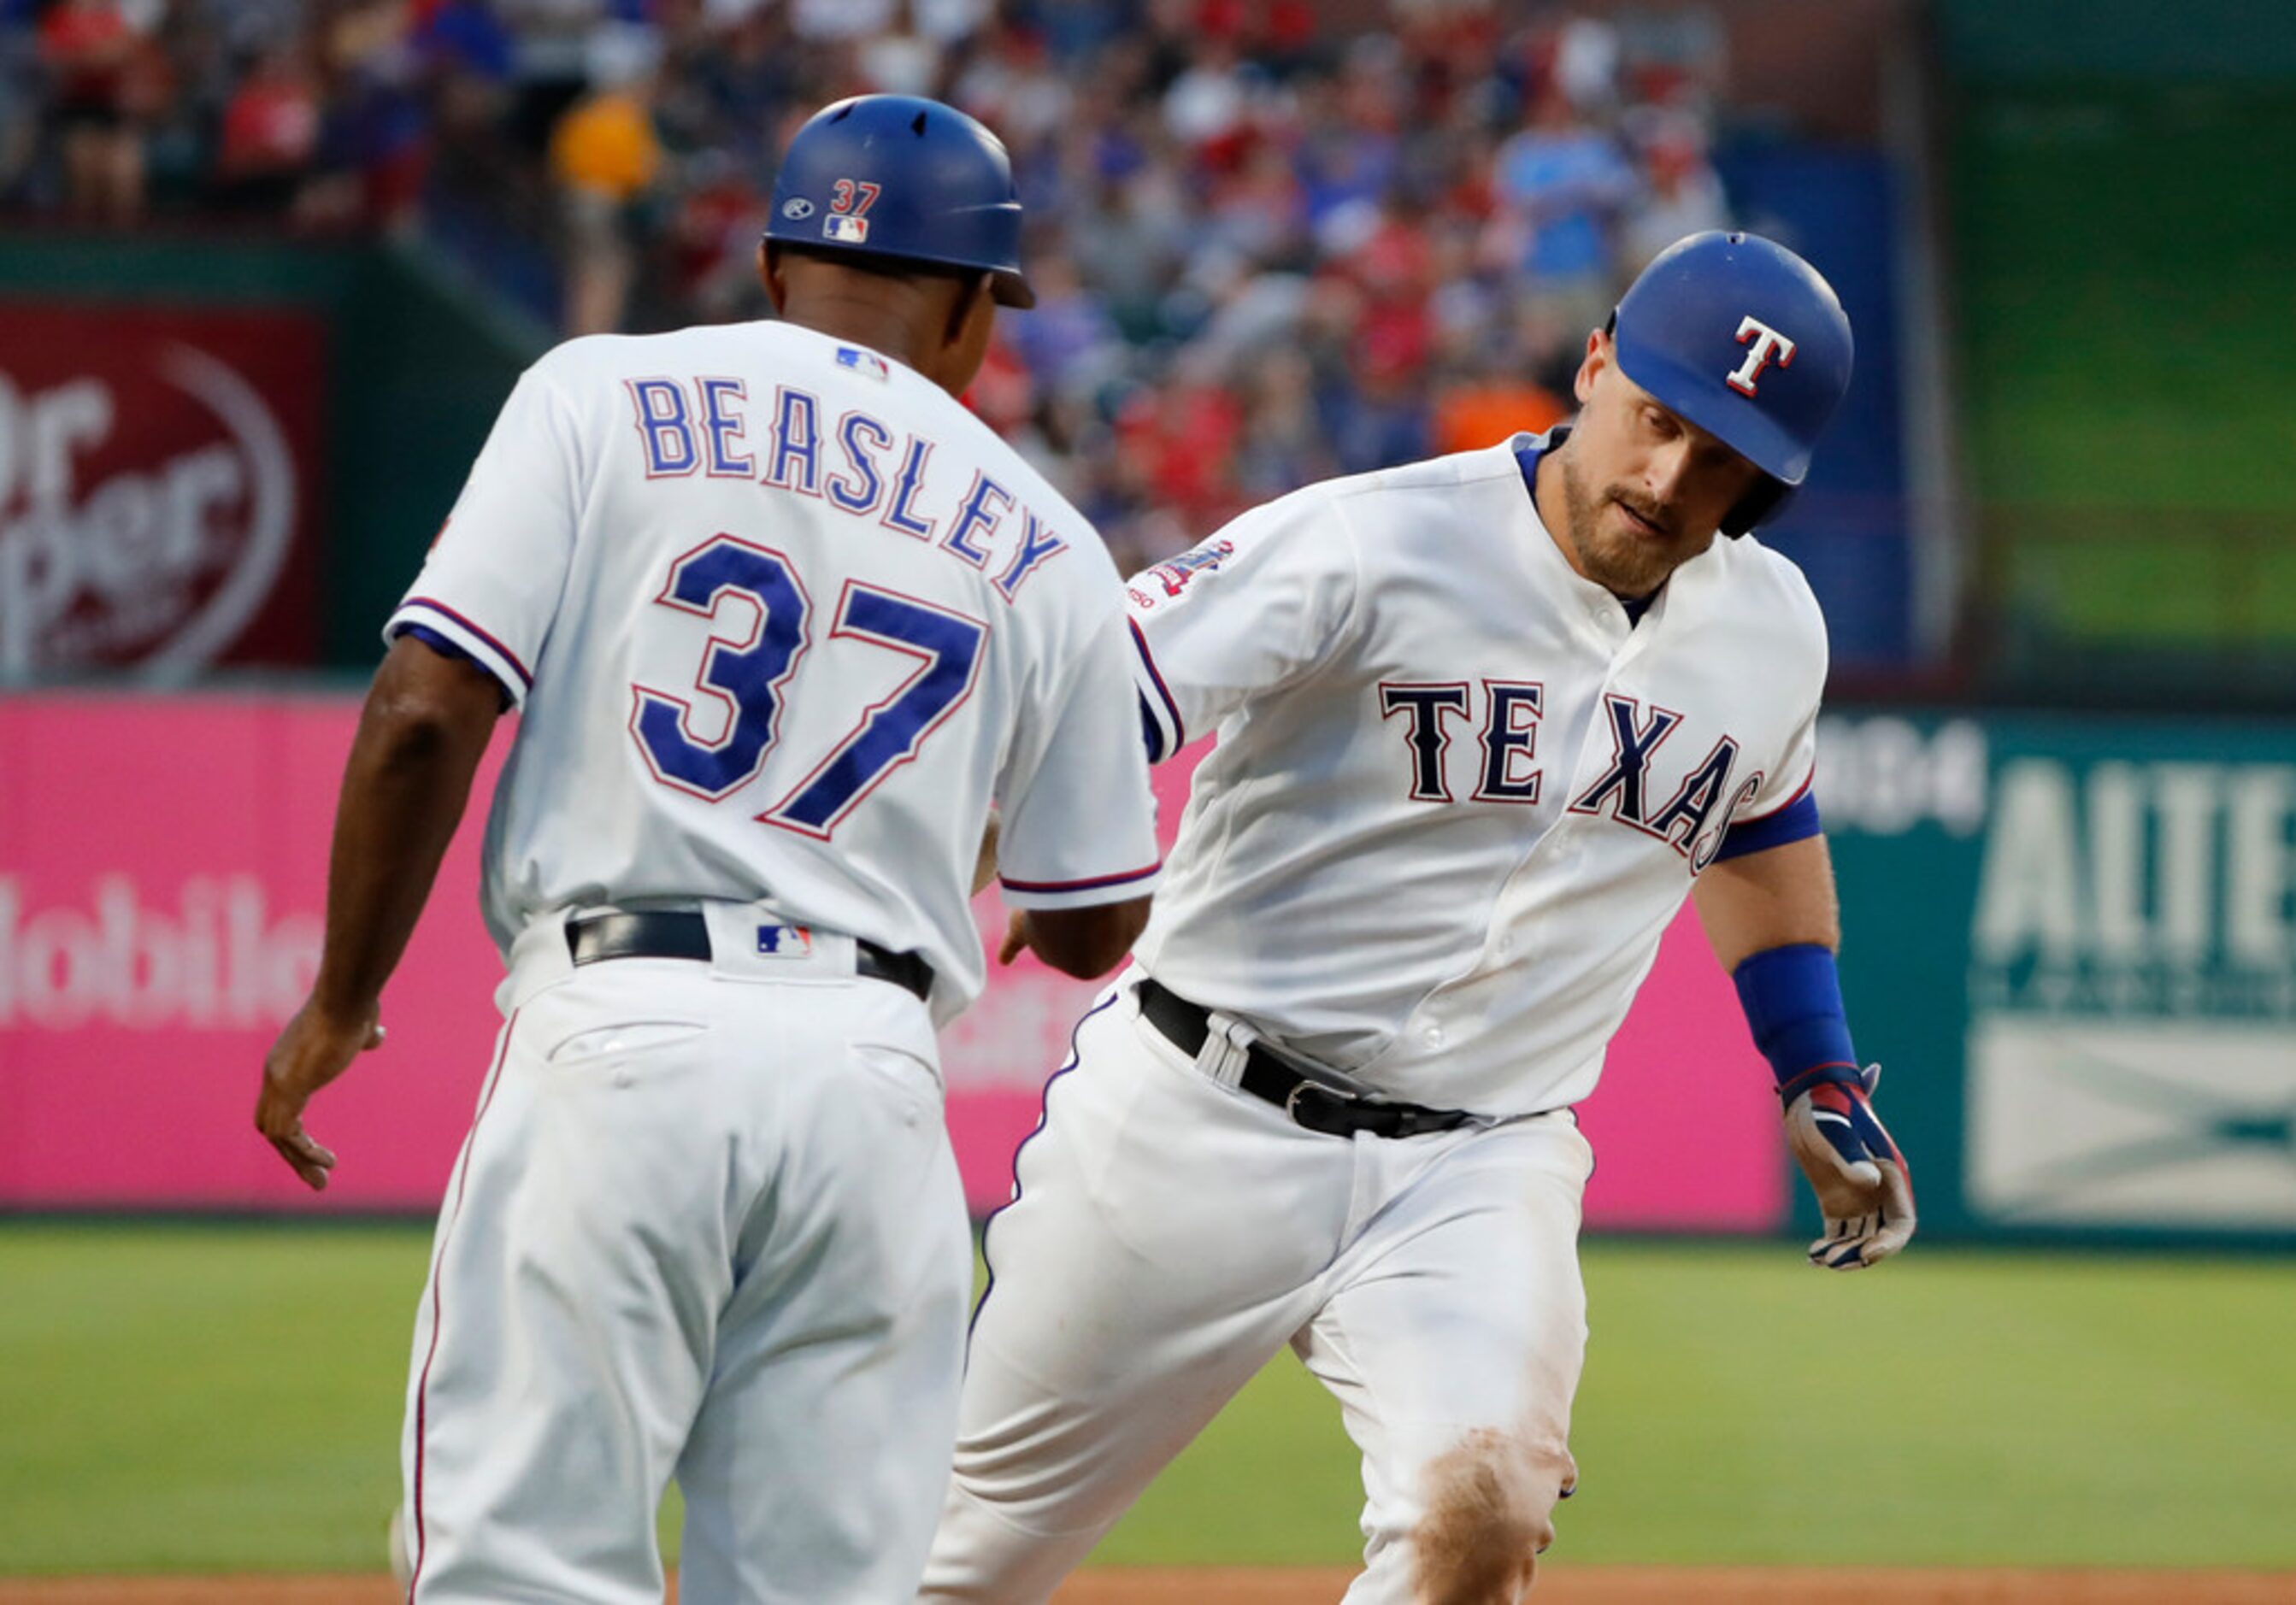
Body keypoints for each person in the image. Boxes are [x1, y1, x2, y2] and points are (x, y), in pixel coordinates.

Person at [253, 93, 1160, 1604]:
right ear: (968, 310)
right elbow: (1087, 925)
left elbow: (425, 707)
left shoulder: (597, 391)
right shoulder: (1050, 535)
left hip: (622, 1030)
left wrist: (342, 994)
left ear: (772, 264)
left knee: (523, 1570)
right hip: (874, 1082)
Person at [924, 230, 1914, 1603]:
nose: (1672, 478)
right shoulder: (1369, 536)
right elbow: (1106, 686)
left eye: (1728, 461)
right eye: (1658, 420)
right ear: (1592, 363)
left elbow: (1759, 828)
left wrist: (1813, 1066)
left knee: (1483, 1507)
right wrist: (1043, 834)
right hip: (1198, 1116)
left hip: (1480, 1157)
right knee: (949, 1557)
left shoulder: (1770, 628)